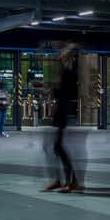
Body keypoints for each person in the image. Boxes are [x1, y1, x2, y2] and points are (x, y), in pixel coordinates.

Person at [44, 44, 81, 193]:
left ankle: (69, 181)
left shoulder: (70, 72)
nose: (61, 54)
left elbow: (68, 92)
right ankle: (63, 180)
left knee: (58, 147)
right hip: (61, 111)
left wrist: (53, 90)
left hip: (64, 113)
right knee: (53, 147)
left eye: (64, 52)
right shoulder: (65, 71)